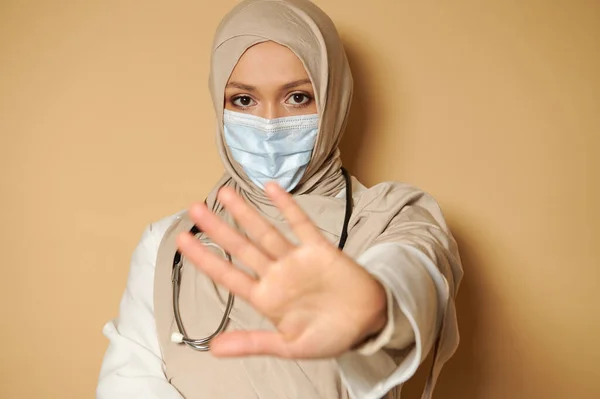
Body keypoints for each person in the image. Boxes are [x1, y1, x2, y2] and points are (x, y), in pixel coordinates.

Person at [96, 0, 463, 398]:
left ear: (334, 96)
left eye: (298, 97)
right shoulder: (170, 243)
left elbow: (415, 270)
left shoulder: (389, 219)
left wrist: (379, 308)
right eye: (243, 100)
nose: (270, 123)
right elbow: (128, 383)